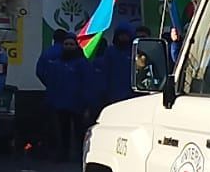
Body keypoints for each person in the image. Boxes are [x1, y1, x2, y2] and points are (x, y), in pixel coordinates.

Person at [36, 29, 94, 162]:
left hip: (78, 102)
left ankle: (81, 154)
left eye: (71, 44)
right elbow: (51, 80)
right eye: (66, 44)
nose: (68, 46)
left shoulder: (82, 63)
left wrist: (86, 102)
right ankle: (64, 154)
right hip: (61, 103)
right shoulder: (58, 63)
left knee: (79, 131)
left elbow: (88, 83)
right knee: (63, 130)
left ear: (76, 46)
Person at [97, 25, 136, 107]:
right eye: (121, 35)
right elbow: (105, 72)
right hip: (113, 93)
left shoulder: (135, 51)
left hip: (131, 94)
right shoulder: (110, 51)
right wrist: (104, 90)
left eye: (126, 35)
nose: (123, 37)